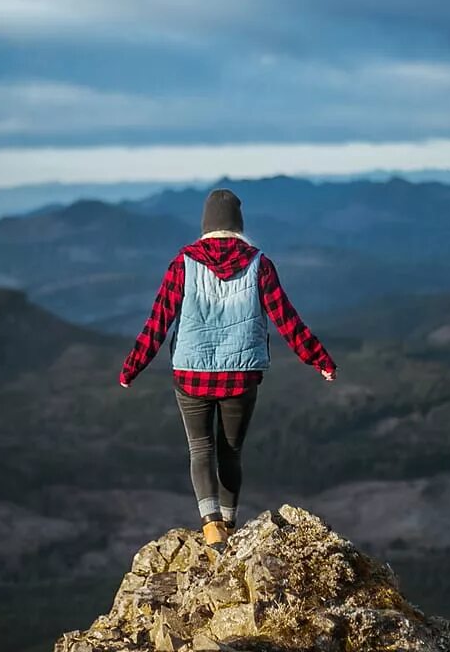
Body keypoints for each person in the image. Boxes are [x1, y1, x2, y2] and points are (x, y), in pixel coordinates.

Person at [118, 187, 337, 549]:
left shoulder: (182, 263)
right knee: (230, 451)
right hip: (242, 376)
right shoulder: (260, 264)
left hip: (190, 374)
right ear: (238, 224)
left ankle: (210, 524)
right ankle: (231, 522)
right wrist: (320, 360)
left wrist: (132, 368)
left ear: (206, 225)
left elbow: (158, 321)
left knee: (200, 448)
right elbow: (287, 321)